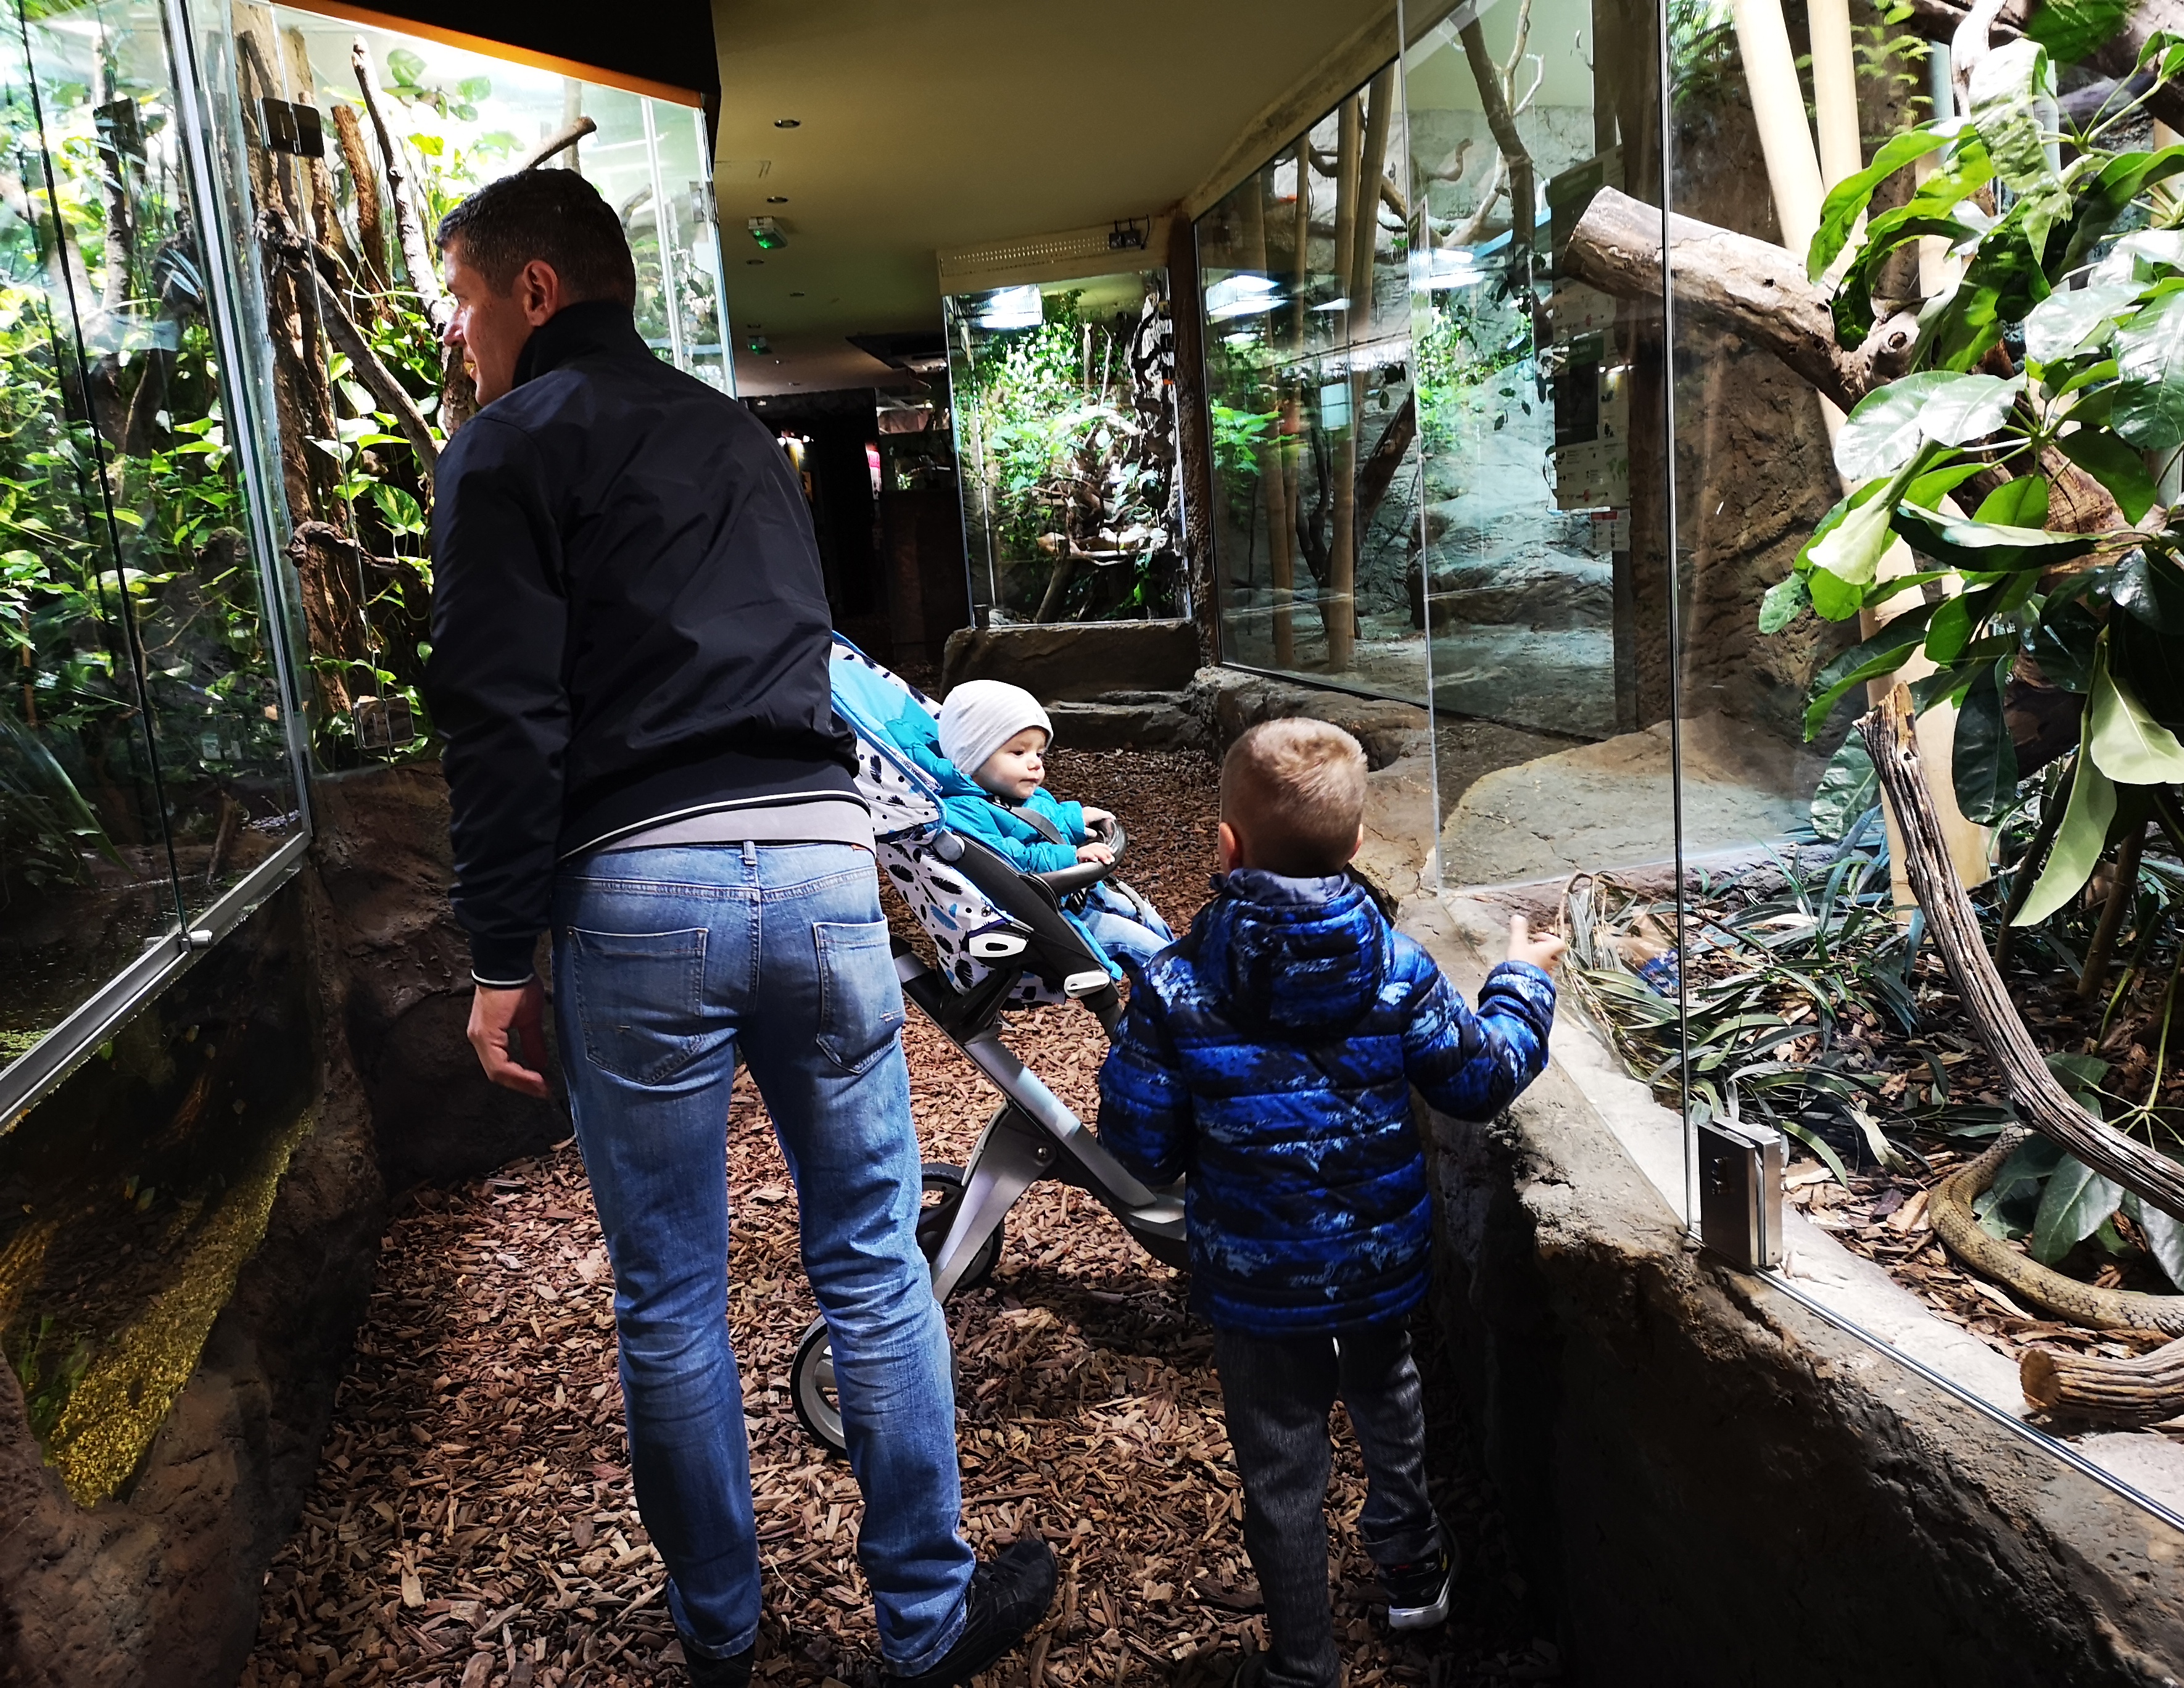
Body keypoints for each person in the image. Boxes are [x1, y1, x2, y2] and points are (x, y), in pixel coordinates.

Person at [421, 168, 1053, 1688]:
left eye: (460, 300)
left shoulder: (505, 447)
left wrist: (501, 957)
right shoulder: (735, 438)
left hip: (643, 889)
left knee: (669, 1297)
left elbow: (503, 721)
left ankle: (720, 1633)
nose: (452, 334)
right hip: (824, 872)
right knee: (875, 1266)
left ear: (533, 292)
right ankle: (926, 1618)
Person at [1094, 718, 1562, 1688]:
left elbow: (1139, 1147)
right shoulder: (1397, 967)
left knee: (1280, 1464)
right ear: (1355, 844)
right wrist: (1522, 980)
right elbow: (1481, 1079)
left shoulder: (1174, 984)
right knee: (1388, 1390)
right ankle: (1413, 1573)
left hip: (1256, 1282)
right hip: (1375, 1263)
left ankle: (1305, 1663)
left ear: (1226, 844)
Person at [918, 678, 1174, 970]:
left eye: (1039, 753)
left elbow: (1043, 819)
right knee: (1144, 946)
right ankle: (1182, 992)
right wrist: (1072, 856)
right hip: (1049, 920)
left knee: (1147, 917)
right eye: (1019, 753)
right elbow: (1008, 861)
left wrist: (1074, 819)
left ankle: (1194, 975)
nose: (1036, 763)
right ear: (972, 756)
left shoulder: (1013, 793)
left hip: (1077, 895)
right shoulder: (964, 811)